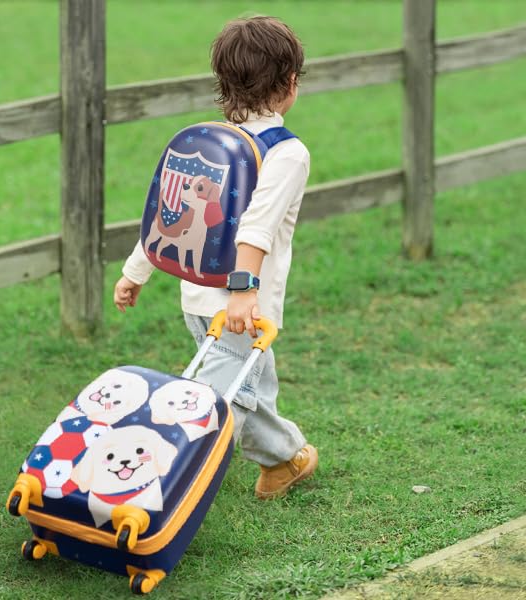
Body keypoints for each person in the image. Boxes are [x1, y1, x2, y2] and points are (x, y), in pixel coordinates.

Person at [113, 15, 317, 500]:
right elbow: (252, 226)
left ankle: (276, 462)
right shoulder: (285, 153)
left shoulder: (212, 143)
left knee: (232, 398)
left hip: (215, 306)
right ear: (290, 84)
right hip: (235, 308)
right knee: (228, 400)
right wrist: (243, 292)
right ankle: (280, 458)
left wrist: (134, 272)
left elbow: (174, 218)